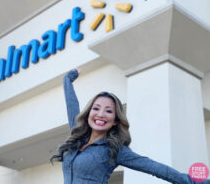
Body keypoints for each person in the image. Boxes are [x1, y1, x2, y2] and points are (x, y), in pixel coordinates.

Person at [51, 69, 210, 184]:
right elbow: (71, 104)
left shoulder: (115, 150)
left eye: (108, 111)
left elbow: (154, 167)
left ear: (115, 120)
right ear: (88, 113)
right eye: (96, 108)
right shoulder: (78, 135)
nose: (100, 114)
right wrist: (68, 78)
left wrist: (192, 181)